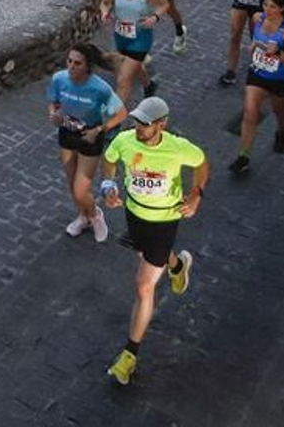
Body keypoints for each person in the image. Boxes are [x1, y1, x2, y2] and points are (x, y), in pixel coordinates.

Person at [100, 96, 209, 386]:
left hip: (164, 220)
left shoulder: (177, 148)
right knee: (148, 256)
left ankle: (129, 355)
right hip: (134, 215)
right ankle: (177, 266)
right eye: (137, 121)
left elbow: (202, 163)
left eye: (145, 125)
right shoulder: (124, 140)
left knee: (143, 285)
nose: (138, 128)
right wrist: (108, 185)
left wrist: (196, 194)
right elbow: (109, 161)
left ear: (162, 124)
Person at [47, 42, 128, 243]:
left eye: (77, 63)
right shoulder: (59, 79)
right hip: (67, 134)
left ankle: (95, 215)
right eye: (69, 61)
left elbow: (121, 113)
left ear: (88, 67)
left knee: (80, 189)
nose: (71, 67)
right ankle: (83, 217)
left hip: (90, 138)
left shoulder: (100, 88)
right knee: (71, 182)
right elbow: (54, 102)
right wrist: (53, 114)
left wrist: (99, 130)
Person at [228, 0, 284, 172]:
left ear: (282, 8)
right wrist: (255, 45)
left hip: (280, 79)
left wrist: (277, 52)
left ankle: (281, 129)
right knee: (250, 112)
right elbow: (256, 37)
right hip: (258, 73)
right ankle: (243, 156)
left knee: (279, 110)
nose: (267, 9)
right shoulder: (257, 18)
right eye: (265, 4)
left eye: (273, 6)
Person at [100, 0, 172, 105]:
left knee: (123, 79)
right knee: (136, 65)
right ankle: (149, 85)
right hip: (121, 36)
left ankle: (116, 118)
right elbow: (104, 3)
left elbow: (164, 4)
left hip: (140, 38)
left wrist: (154, 18)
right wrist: (105, 12)